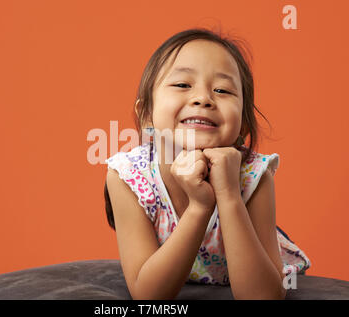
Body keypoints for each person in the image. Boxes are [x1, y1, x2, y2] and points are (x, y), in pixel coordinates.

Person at [103, 28, 311, 300]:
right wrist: (199, 207)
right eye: (182, 85)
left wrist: (229, 196)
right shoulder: (128, 177)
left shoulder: (253, 176)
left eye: (222, 90)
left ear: (243, 124)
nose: (203, 99)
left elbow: (263, 297)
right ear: (146, 115)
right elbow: (147, 297)